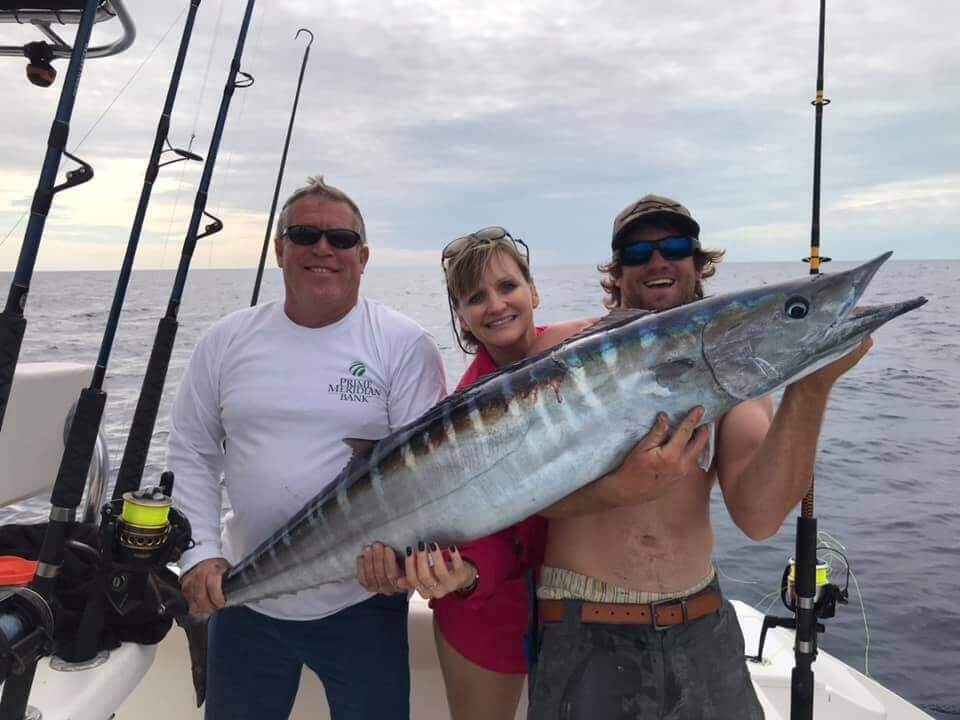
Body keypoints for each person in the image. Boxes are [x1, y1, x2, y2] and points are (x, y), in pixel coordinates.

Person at [526, 194, 873, 719]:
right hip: (584, 629)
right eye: (638, 252)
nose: (658, 260)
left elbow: (758, 517)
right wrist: (620, 487)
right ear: (617, 272)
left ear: (698, 262)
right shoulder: (560, 351)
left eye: (676, 246)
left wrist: (811, 385)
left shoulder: (737, 372)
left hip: (702, 626)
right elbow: (514, 491)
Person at [168, 176, 446, 720]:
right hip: (245, 595)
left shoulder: (404, 344)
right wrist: (199, 552)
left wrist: (403, 558)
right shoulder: (225, 341)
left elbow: (425, 479)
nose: (323, 249)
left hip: (362, 603)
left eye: (341, 240)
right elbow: (193, 452)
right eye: (305, 234)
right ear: (279, 249)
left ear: (363, 257)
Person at [356, 227, 591, 720]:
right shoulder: (462, 408)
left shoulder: (581, 355)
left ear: (533, 290)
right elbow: (464, 517)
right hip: (485, 614)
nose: (496, 304)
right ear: (461, 317)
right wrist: (463, 573)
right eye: (475, 298)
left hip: (576, 610)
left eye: (507, 286)